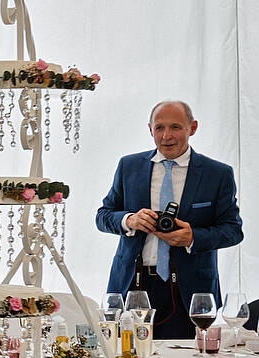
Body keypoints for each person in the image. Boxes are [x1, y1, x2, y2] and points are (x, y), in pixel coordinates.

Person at [96, 101, 243, 340]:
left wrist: (193, 236)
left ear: (192, 128)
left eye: (175, 127)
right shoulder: (128, 166)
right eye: (159, 128)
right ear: (150, 129)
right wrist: (129, 220)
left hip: (189, 289)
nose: (166, 136)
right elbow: (103, 216)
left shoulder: (217, 173)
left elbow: (233, 230)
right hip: (134, 283)